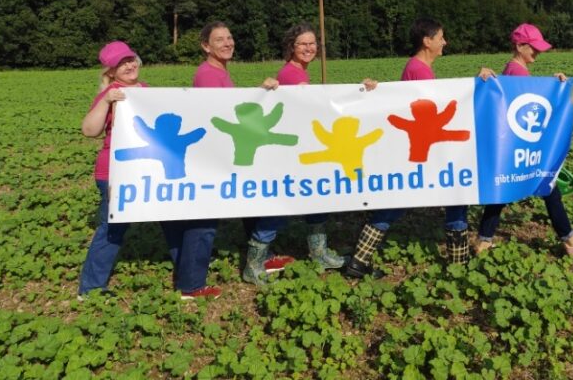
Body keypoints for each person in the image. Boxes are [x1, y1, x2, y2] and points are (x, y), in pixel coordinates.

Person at [78, 41, 219, 299]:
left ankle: (187, 279)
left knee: (174, 219)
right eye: (121, 63)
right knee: (112, 229)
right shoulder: (111, 93)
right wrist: (107, 100)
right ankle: (90, 290)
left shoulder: (147, 91)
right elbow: (89, 130)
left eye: (131, 59)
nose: (130, 65)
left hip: (154, 173)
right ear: (110, 71)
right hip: (116, 173)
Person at [242, 23, 376, 285]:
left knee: (317, 198)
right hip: (292, 153)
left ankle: (318, 252)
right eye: (303, 43)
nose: (309, 48)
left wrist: (360, 90)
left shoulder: (299, 72)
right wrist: (357, 93)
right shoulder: (291, 74)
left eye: (313, 43)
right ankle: (254, 263)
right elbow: (318, 106)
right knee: (281, 204)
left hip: (305, 147)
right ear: (292, 46)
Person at [344, 17, 470, 279]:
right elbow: (436, 111)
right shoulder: (420, 70)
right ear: (427, 41)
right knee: (457, 197)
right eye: (440, 37)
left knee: (396, 201)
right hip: (427, 151)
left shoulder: (416, 67)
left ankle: (359, 259)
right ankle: (459, 265)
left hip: (418, 150)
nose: (444, 42)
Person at [475, 23, 573, 257]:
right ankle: (571, 241)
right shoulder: (518, 72)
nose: (538, 52)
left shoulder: (513, 69)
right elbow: (534, 107)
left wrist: (554, 85)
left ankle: (484, 242)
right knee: (547, 185)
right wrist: (560, 91)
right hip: (524, 144)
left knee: (505, 190)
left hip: (516, 144)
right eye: (533, 48)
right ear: (519, 46)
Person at [194, 21, 294, 278]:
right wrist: (258, 93)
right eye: (219, 40)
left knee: (252, 201)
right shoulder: (207, 74)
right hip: (221, 154)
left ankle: (263, 254)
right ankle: (249, 262)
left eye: (229, 37)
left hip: (233, 152)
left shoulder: (220, 71)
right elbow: (219, 113)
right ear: (206, 46)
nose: (228, 43)